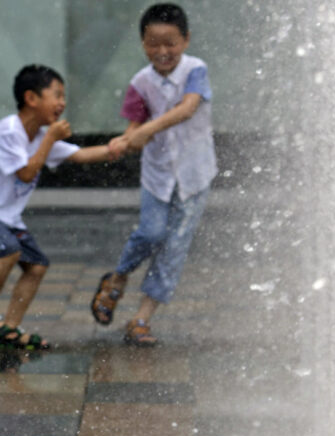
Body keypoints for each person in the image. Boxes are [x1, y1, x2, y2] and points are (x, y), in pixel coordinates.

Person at [0, 64, 121, 351]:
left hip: (5, 214)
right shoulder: (11, 131)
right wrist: (50, 138)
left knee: (37, 266)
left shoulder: (42, 136)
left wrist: (121, 146)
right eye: (56, 94)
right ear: (31, 98)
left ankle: (9, 328)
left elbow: (81, 155)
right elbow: (26, 173)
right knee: (9, 250)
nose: (62, 103)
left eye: (63, 96)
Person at [91, 3, 216, 345]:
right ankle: (117, 278)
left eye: (170, 43)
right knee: (150, 233)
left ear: (186, 40)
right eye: (153, 43)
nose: (162, 52)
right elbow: (134, 130)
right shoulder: (140, 83)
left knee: (174, 248)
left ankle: (141, 319)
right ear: (143, 43)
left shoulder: (196, 70)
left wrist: (149, 130)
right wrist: (124, 140)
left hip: (194, 175)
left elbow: (188, 108)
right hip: (158, 175)